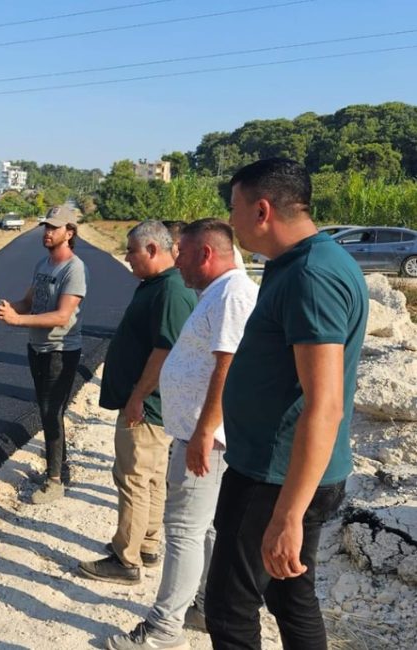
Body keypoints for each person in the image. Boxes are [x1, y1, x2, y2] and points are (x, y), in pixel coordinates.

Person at [206, 158, 368, 649]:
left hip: (273, 479)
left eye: (233, 210)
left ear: (261, 210)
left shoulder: (311, 277)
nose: (230, 222)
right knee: (289, 597)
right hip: (282, 472)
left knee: (230, 612)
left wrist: (288, 514)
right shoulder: (301, 264)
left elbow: (326, 405)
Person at [106, 219, 258, 650]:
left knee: (184, 531)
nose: (179, 261)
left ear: (206, 254)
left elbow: (226, 369)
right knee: (205, 528)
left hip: (205, 438)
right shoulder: (218, 292)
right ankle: (205, 604)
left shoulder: (231, 295)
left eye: (184, 253)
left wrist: (204, 431)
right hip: (202, 433)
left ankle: (162, 629)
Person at [81, 221, 197, 584]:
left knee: (132, 478)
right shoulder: (159, 285)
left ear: (152, 249)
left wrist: (137, 398)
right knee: (150, 478)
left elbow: (165, 351)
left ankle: (125, 559)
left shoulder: (171, 291)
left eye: (131, 251)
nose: (127, 258)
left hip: (147, 407)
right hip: (154, 404)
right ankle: (146, 543)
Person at [0, 208, 88, 504]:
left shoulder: (74, 269)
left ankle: (55, 481)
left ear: (69, 233)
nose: (47, 232)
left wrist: (17, 321)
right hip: (37, 348)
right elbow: (27, 302)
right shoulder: (43, 264)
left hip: (60, 351)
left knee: (52, 412)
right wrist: (0, 308)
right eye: (45, 226)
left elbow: (62, 316)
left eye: (54, 227)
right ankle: (58, 468)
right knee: (46, 410)